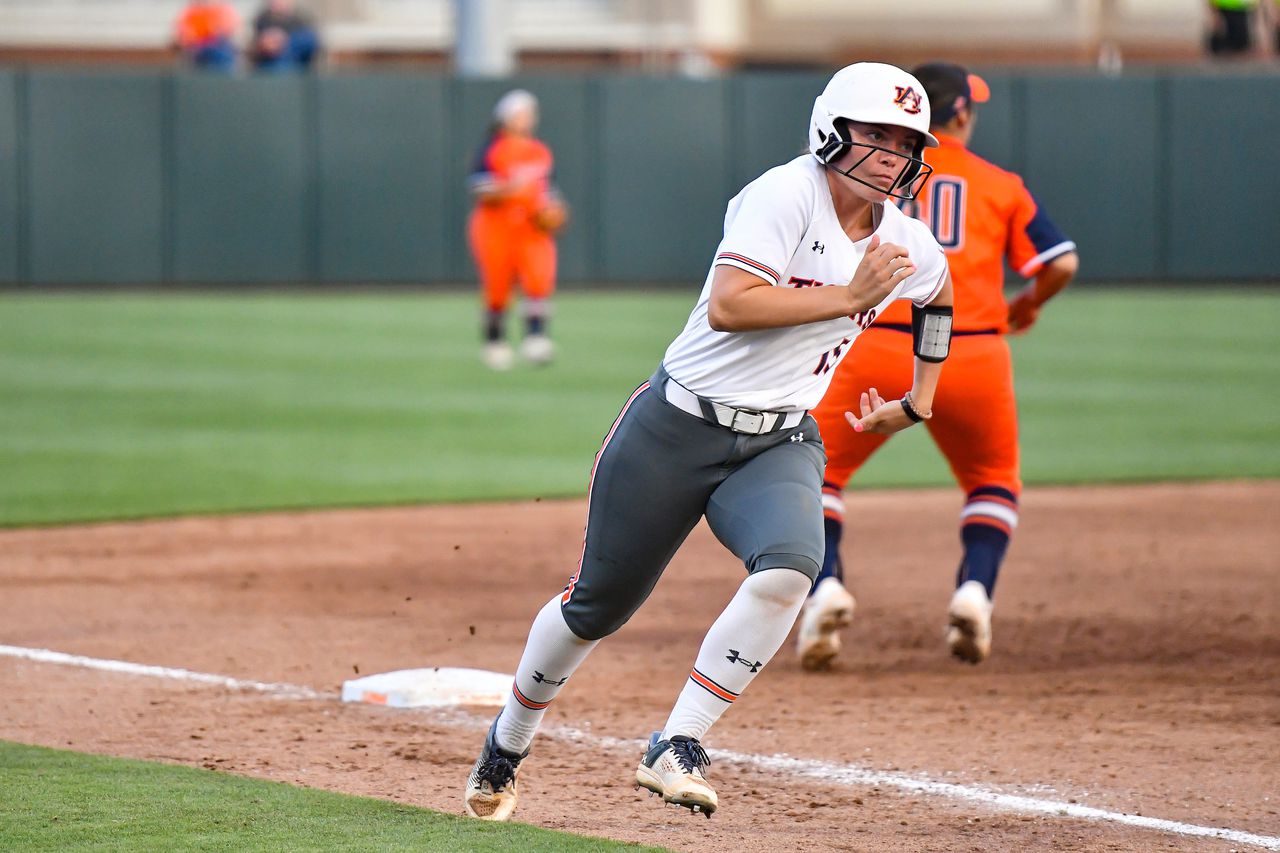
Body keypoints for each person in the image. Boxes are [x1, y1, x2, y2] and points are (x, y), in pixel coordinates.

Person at [462, 62, 954, 822]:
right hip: (677, 425)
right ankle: (508, 737)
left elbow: (939, 292)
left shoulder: (906, 239)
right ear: (831, 131)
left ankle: (679, 742)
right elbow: (730, 304)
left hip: (780, 438)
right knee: (596, 607)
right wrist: (852, 298)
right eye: (876, 133)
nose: (892, 152)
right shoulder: (784, 194)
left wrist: (919, 399)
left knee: (792, 568)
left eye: (907, 139)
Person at [796, 61, 1078, 671]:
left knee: (817, 474)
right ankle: (975, 591)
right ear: (959, 114)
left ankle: (826, 586)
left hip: (872, 342)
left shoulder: (872, 170)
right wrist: (1026, 305)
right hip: (971, 347)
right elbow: (1061, 261)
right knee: (993, 480)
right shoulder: (1001, 183)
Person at [468, 90, 568, 370]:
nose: (526, 119)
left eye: (529, 113)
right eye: (520, 113)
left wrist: (554, 209)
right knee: (497, 287)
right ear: (505, 117)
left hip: (531, 227)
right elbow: (478, 187)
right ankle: (494, 341)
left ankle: (536, 338)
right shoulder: (493, 148)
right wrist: (511, 188)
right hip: (495, 225)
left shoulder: (539, 150)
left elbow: (549, 191)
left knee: (538, 281)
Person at [249, 0, 320, 72]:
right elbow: (255, 46)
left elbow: (312, 46)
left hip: (296, 66)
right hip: (270, 65)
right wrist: (264, 44)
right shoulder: (262, 20)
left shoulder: (302, 20)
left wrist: (285, 41)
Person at [173, 0, 240, 73]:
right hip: (197, 49)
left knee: (222, 53)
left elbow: (226, 30)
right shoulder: (190, 13)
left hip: (218, 47)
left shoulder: (221, 9)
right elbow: (184, 35)